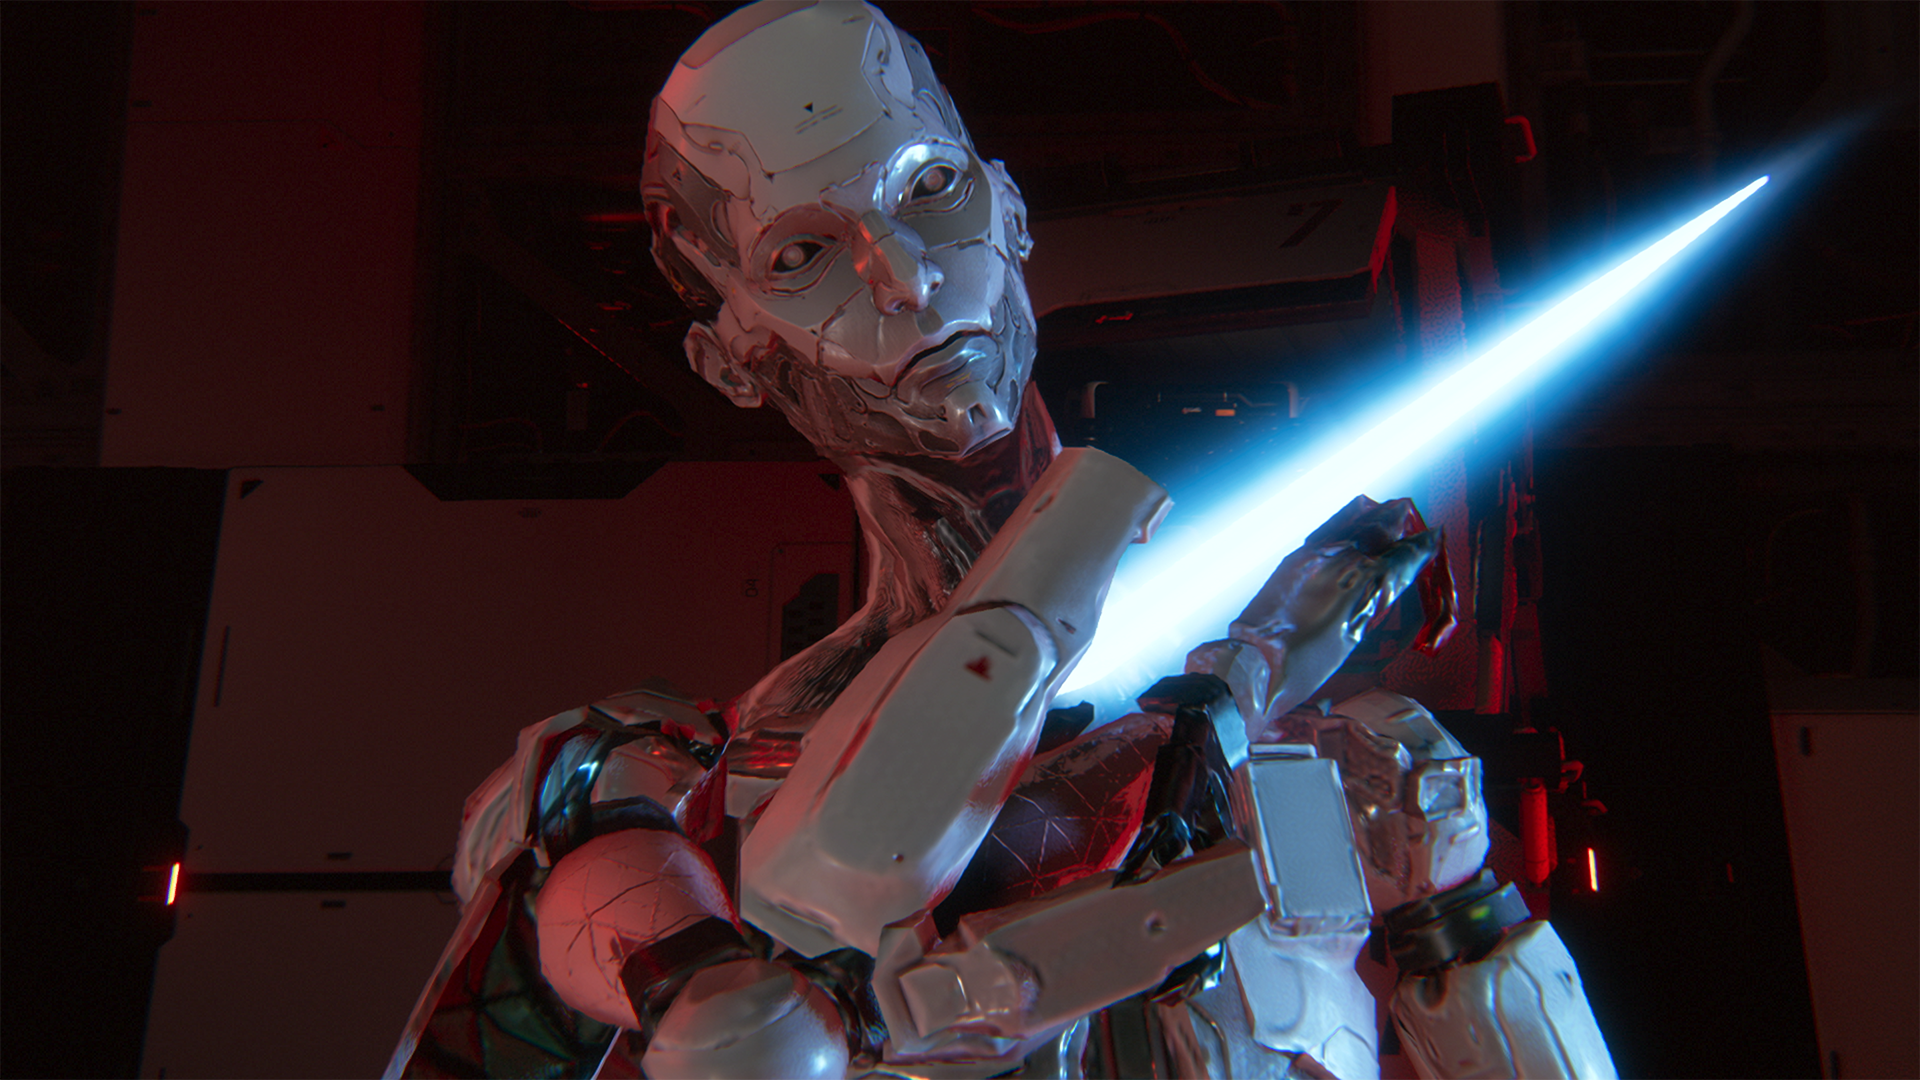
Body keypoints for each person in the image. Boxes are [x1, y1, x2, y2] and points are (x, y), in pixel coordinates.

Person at [387, 3, 1616, 1078]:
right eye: (803, 255)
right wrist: (694, 979)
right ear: (733, 359)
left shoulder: (1324, 774)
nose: (905, 278)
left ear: (1010, 208)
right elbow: (552, 910)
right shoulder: (668, 799)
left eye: (928, 190)